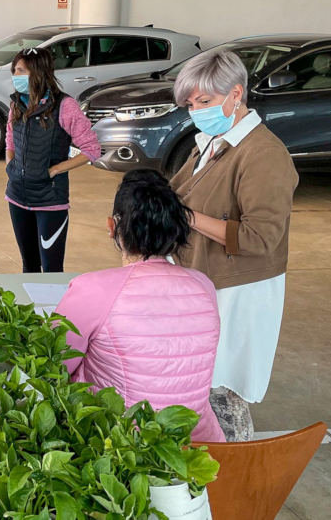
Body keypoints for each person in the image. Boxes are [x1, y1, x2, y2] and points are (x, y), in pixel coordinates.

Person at [169, 49, 299, 441]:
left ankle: (235, 472)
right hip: (204, 281)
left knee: (222, 391)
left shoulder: (263, 155)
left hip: (238, 290)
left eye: (204, 102)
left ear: (235, 94)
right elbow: (177, 193)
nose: (196, 111)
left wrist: (188, 219)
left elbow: (260, 237)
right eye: (191, 104)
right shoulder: (211, 141)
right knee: (198, 386)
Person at [58, 170, 225, 443]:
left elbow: (55, 364)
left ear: (112, 226)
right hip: (197, 448)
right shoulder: (203, 286)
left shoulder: (93, 288)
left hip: (121, 450)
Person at [5, 47, 102, 273]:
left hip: (50, 201)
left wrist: (55, 170)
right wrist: (10, 165)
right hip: (17, 196)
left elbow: (92, 149)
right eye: (14, 70)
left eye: (20, 71)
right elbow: (10, 138)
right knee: (29, 265)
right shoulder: (17, 104)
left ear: (37, 72)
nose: (15, 76)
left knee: (51, 268)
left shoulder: (65, 106)